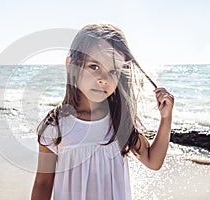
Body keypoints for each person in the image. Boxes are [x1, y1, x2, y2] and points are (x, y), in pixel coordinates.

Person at [31, 24, 174, 200]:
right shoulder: (56, 125)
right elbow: (43, 183)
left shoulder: (120, 120)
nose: (104, 80)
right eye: (94, 66)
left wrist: (166, 118)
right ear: (71, 65)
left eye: (113, 71)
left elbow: (153, 161)